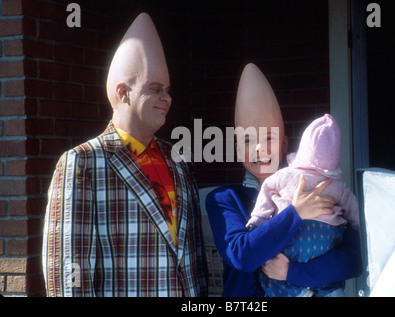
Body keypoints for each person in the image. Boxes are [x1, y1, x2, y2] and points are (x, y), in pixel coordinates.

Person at [42, 13, 208, 297]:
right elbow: (68, 266)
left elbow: (192, 253)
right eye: (155, 89)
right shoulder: (84, 161)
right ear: (124, 92)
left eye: (167, 90)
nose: (166, 98)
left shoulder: (175, 158)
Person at [206, 63, 362, 297]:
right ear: (238, 150)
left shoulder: (318, 188)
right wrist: (295, 213)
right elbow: (242, 256)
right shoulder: (224, 198)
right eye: (248, 141)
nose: (259, 148)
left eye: (269, 137)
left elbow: (352, 260)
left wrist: (293, 272)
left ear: (284, 145)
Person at [246, 113, 359, 297]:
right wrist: (356, 227)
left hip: (292, 239)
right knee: (330, 283)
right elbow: (354, 211)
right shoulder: (337, 186)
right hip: (326, 238)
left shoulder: (282, 175)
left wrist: (257, 221)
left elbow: (266, 193)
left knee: (274, 269)